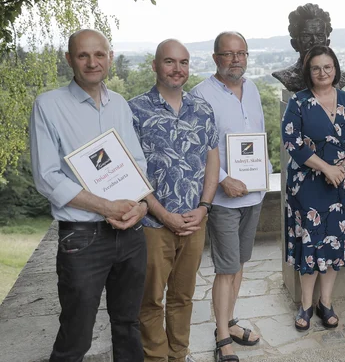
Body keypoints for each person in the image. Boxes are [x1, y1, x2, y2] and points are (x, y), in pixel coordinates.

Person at [30, 29, 149, 361]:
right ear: (69, 59)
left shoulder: (120, 105)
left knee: (128, 325)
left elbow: (137, 165)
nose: (92, 62)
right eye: (83, 55)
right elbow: (47, 177)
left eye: (99, 54)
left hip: (131, 235)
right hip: (82, 239)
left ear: (109, 58)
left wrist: (140, 207)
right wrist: (106, 205)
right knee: (76, 334)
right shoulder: (49, 106)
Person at [129, 39, 220, 362]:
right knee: (150, 299)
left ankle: (178, 355)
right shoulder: (135, 110)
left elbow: (212, 160)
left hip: (194, 222)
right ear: (155, 65)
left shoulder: (202, 109)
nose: (177, 69)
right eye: (169, 62)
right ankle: (156, 357)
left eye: (183, 62)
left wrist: (204, 208)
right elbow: (129, 173)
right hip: (153, 223)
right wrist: (162, 213)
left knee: (183, 296)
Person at [190, 31, 268, 362]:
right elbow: (196, 149)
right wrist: (222, 180)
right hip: (223, 200)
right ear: (215, 58)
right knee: (226, 268)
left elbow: (258, 135)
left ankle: (228, 320)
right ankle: (223, 337)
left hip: (253, 195)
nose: (235, 59)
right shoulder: (201, 95)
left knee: (239, 266)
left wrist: (262, 173)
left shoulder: (251, 89)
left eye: (241, 53)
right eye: (228, 53)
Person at [281, 45, 345, 330]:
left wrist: (342, 168)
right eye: (316, 68)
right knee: (311, 246)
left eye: (327, 67)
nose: (322, 72)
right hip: (309, 188)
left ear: (336, 69)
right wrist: (326, 168)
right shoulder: (298, 102)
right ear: (309, 72)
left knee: (335, 247)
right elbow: (292, 143)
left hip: (343, 188)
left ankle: (326, 303)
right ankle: (305, 305)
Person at [272, 3, 345, 91]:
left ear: (327, 43)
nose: (314, 41)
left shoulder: (340, 77)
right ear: (294, 44)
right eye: (306, 36)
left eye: (319, 36)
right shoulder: (288, 77)